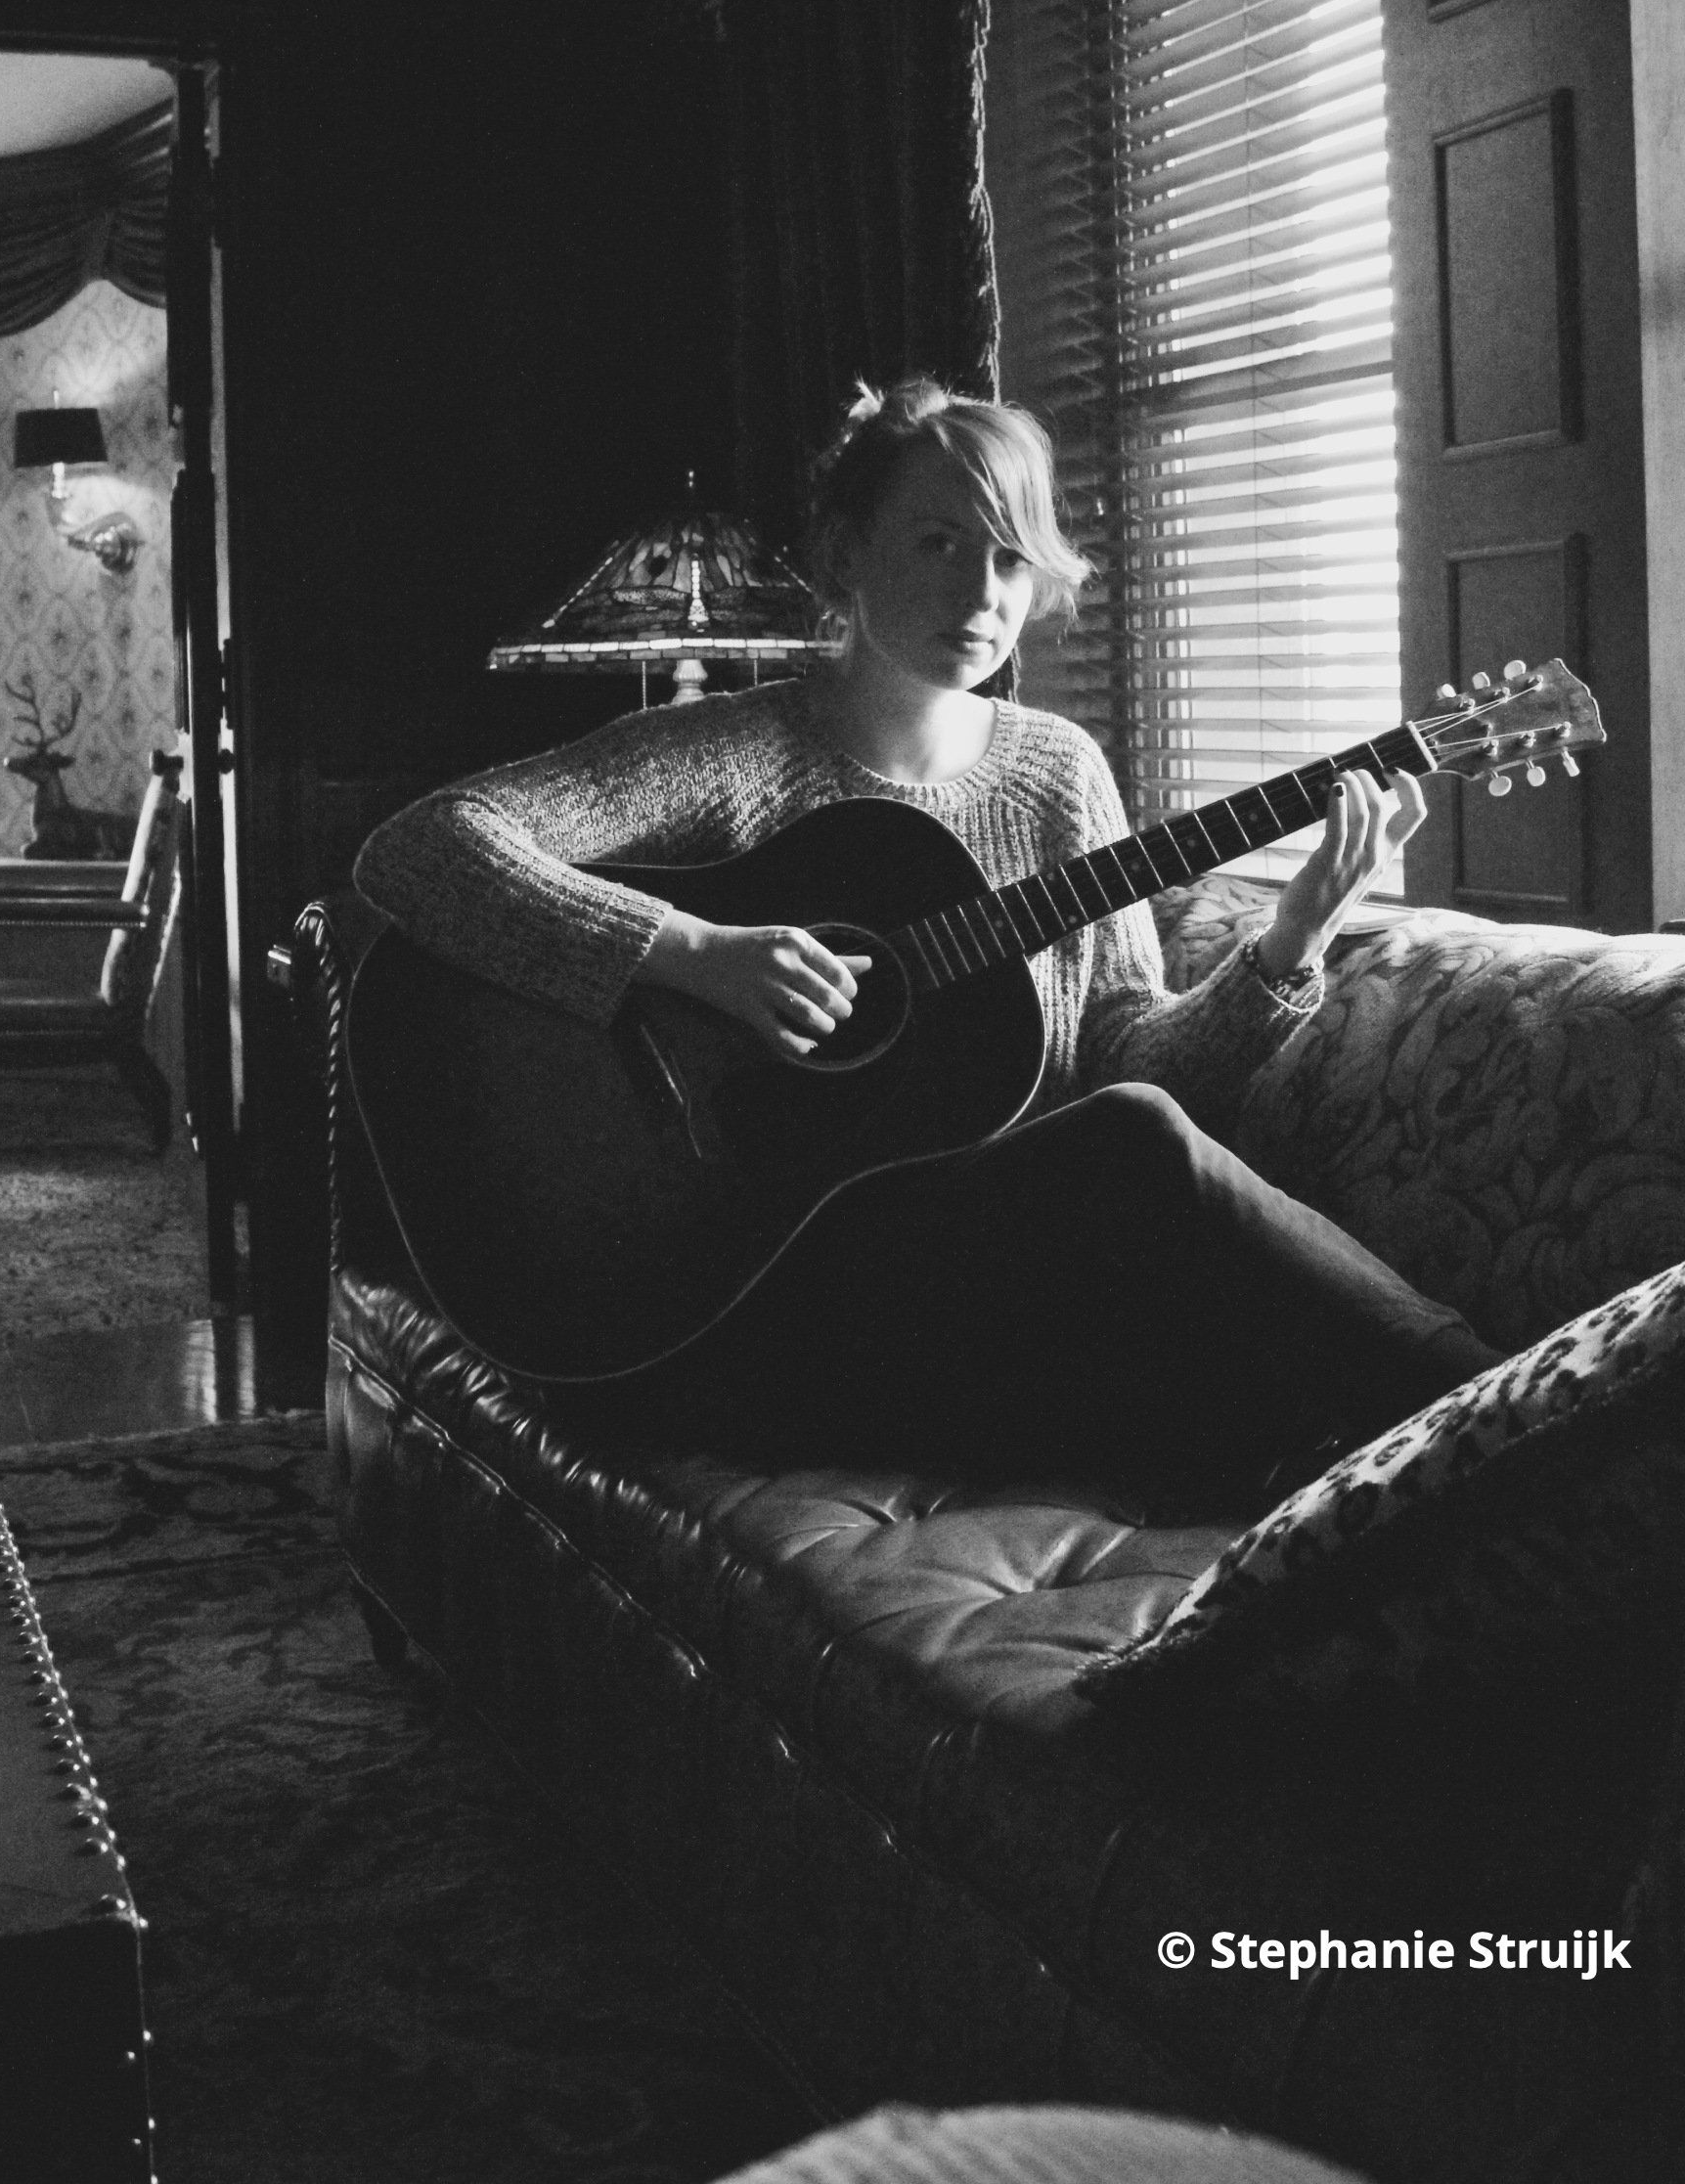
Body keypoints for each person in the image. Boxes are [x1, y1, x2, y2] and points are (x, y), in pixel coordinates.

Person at [355, 379, 1499, 1505]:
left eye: (1010, 558)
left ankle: (1465, 1435)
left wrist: (1291, 941)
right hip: (735, 1291)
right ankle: (1497, 1397)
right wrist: (693, 952)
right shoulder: (729, 754)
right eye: (940, 543)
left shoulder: (1059, 773)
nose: (981, 592)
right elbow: (419, 848)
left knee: (1206, 1321)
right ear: (846, 554)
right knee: (1161, 1218)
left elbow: (1130, 1061)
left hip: (985, 1272)